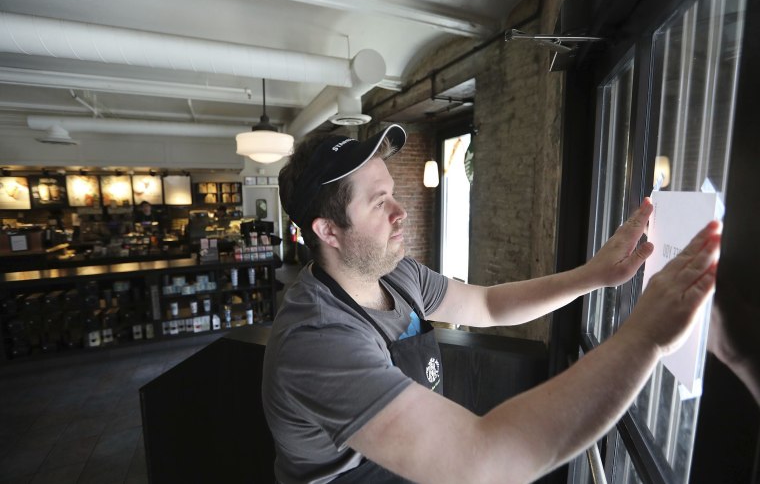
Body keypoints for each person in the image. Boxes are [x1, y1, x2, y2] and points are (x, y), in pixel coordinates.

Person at [262, 124, 721, 483]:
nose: (400, 212)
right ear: (328, 231)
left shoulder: (397, 274)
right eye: (379, 203)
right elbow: (482, 464)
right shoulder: (317, 340)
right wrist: (645, 338)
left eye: (393, 194)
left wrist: (594, 275)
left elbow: (488, 306)